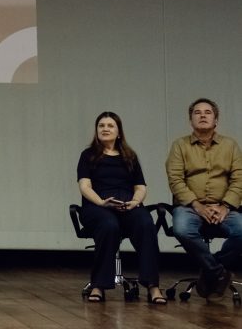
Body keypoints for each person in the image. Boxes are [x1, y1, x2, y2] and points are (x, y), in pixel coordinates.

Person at [77, 111, 165, 304]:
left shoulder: (129, 156)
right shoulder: (88, 155)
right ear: (96, 130)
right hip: (97, 206)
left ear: (119, 132)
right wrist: (101, 202)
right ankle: (99, 285)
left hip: (127, 205)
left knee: (145, 223)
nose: (105, 129)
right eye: (101, 125)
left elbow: (140, 187)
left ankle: (153, 285)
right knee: (109, 225)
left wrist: (135, 202)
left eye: (110, 126)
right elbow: (84, 186)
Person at [166, 97, 242, 299]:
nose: (202, 116)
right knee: (182, 229)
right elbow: (175, 180)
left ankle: (211, 270)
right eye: (197, 113)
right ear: (190, 120)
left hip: (224, 207)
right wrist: (197, 206)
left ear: (216, 120)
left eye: (208, 112)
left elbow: (239, 178)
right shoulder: (179, 145)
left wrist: (225, 206)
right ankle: (218, 272)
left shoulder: (230, 145)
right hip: (189, 207)